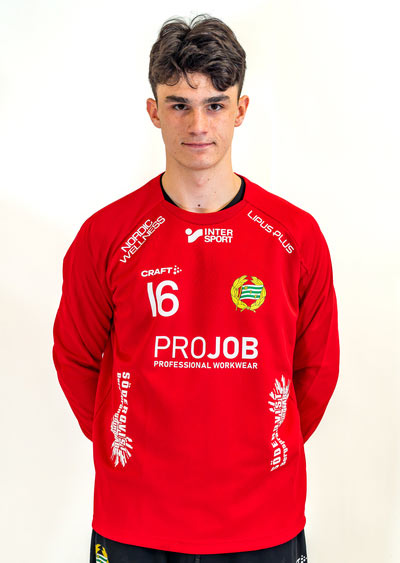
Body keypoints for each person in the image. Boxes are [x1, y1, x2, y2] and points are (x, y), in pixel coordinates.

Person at [52, 14, 340, 563]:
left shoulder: (296, 237)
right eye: (179, 104)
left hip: (262, 520)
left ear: (241, 109)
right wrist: (130, 451)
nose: (198, 124)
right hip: (135, 520)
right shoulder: (106, 236)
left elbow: (316, 369)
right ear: (153, 111)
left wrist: (257, 453)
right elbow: (75, 358)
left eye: (215, 104)